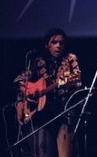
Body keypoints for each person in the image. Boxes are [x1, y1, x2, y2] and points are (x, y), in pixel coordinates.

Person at [14, 28, 81, 157]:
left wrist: (68, 83)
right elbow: (19, 80)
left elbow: (77, 79)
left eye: (61, 43)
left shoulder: (70, 58)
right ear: (47, 45)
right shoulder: (38, 62)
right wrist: (28, 93)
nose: (58, 46)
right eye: (54, 42)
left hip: (63, 113)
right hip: (42, 116)